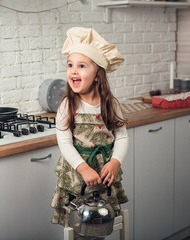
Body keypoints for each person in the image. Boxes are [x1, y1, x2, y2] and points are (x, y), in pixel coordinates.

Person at [50, 27, 129, 233]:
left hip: (105, 177)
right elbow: (64, 142)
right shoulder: (67, 105)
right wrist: (83, 168)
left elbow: (121, 137)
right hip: (78, 179)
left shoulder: (110, 104)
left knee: (101, 224)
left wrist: (114, 162)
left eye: (81, 66)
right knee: (78, 226)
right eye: (70, 65)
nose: (73, 71)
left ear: (97, 75)